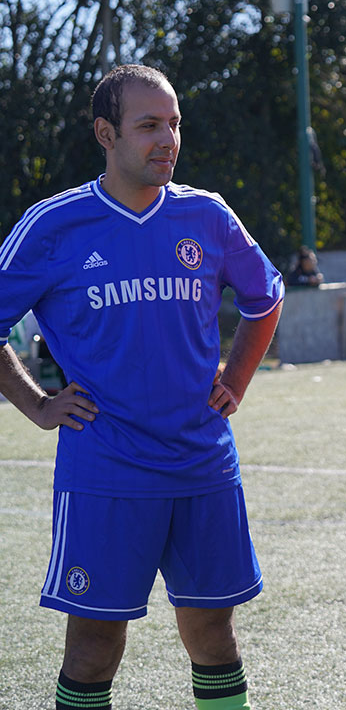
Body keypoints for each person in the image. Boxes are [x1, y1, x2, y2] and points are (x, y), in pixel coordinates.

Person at [0, 64, 283, 710]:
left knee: (214, 636)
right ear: (107, 133)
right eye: (149, 125)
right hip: (107, 471)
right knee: (93, 647)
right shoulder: (55, 224)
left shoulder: (207, 214)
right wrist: (38, 405)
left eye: (174, 124)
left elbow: (265, 297)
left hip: (202, 465)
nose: (168, 139)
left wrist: (236, 378)